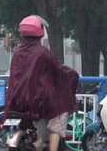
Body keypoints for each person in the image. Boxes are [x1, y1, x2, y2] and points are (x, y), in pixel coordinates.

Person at [5, 15, 78, 151]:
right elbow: (58, 70)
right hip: (37, 103)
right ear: (39, 32)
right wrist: (73, 75)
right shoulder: (42, 53)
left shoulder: (17, 53)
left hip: (16, 102)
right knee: (59, 114)